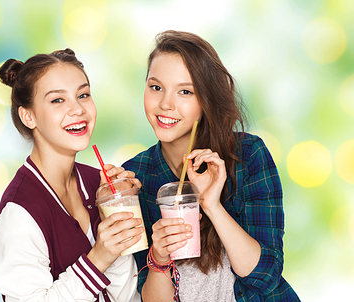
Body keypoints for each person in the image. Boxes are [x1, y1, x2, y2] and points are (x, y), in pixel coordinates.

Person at [123, 30, 300, 301]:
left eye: (185, 91)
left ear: (206, 100)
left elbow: (265, 278)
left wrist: (212, 205)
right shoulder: (136, 178)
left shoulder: (247, 155)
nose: (165, 104)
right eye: (156, 87)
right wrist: (158, 258)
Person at [0, 49, 142, 302]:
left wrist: (113, 212)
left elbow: (125, 296)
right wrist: (99, 257)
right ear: (29, 116)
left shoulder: (97, 184)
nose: (78, 109)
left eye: (83, 95)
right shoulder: (20, 212)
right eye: (57, 100)